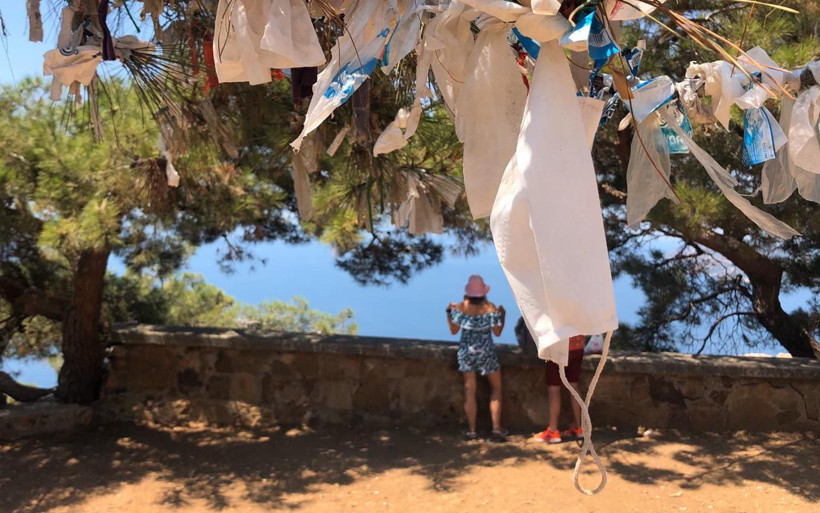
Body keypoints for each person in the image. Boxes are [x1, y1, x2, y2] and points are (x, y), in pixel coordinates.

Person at [446, 274, 507, 442]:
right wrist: (502, 315)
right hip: (487, 352)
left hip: (467, 352)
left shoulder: (461, 307)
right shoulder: (490, 307)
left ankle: (472, 431)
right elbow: (497, 332)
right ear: (484, 293)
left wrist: (449, 312)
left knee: (469, 391)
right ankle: (496, 430)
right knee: (496, 389)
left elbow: (453, 330)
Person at [532, 333, 587, 444]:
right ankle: (579, 427)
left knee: (554, 389)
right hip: (578, 346)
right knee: (574, 385)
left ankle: (553, 431)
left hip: (558, 348)